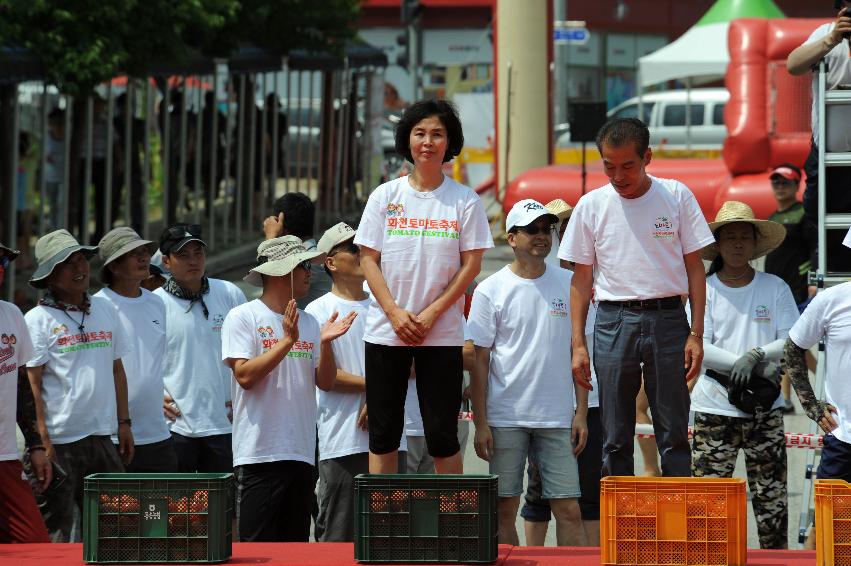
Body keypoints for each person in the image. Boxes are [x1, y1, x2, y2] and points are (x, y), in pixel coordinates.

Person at [559, 117, 714, 477]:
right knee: (613, 434)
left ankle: (678, 526)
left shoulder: (675, 195)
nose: (618, 176)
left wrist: (697, 333)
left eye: (627, 165)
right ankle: (623, 528)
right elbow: (581, 280)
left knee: (674, 432)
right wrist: (578, 344)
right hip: (613, 321)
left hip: (669, 318)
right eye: (609, 166)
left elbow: (695, 269)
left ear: (647, 156)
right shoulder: (591, 205)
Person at [354, 99, 493, 475]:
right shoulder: (385, 196)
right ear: (408, 140)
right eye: (420, 134)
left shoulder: (465, 200)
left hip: (442, 333)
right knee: (383, 434)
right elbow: (368, 259)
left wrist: (433, 312)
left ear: (450, 142)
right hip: (387, 331)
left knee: (442, 435)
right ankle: (383, 525)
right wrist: (395, 313)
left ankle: (453, 528)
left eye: (437, 134)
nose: (428, 142)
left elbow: (471, 265)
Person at [469, 199, 588, 546]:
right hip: (506, 418)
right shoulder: (490, 289)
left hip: (557, 417)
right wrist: (481, 421)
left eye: (546, 229)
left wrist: (580, 412)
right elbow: (479, 360)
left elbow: (580, 353)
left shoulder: (571, 284)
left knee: (569, 510)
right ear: (511, 237)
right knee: (505, 508)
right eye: (532, 229)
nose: (541, 236)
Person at [222, 236, 356, 542]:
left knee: (294, 548)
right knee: (257, 549)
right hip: (259, 455)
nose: (310, 272)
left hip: (301, 453)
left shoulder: (309, 322)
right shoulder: (244, 317)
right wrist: (286, 342)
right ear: (282, 272)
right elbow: (244, 376)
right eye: (303, 266)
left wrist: (324, 342)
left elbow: (325, 381)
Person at [689, 201, 797, 550]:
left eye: (744, 237)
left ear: (754, 244)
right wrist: (735, 362)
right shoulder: (703, 289)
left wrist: (755, 355)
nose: (737, 244)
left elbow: (792, 339)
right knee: (708, 505)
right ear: (718, 244)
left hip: (764, 408)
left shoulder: (774, 287)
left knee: (772, 504)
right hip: (714, 408)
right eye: (730, 237)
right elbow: (696, 343)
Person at [24, 230, 133, 541]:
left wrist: (123, 423)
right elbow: (32, 387)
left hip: (102, 435)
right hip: (59, 440)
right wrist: (42, 442)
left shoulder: (104, 309)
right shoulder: (38, 319)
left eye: (82, 260)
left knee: (117, 526)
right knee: (58, 530)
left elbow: (117, 369)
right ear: (49, 274)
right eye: (68, 263)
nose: (79, 269)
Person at [305, 223, 381, 541]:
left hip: (389, 437)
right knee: (339, 535)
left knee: (387, 537)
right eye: (352, 248)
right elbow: (325, 375)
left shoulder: (384, 305)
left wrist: (377, 398)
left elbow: (412, 363)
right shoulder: (317, 311)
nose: (361, 252)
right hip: (342, 439)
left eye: (363, 245)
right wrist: (376, 388)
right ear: (331, 263)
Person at [155, 223, 246, 473]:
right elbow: (135, 360)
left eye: (198, 253)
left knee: (224, 508)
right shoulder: (154, 303)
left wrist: (242, 399)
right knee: (178, 509)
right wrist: (152, 395)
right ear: (166, 262)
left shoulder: (230, 293)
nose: (193, 261)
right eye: (183, 255)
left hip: (225, 423)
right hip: (175, 426)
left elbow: (250, 352)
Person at [785, 227, 851, 547]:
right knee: (825, 527)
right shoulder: (831, 301)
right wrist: (811, 404)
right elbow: (793, 347)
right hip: (844, 436)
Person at [95, 228, 178, 472]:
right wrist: (122, 422)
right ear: (114, 266)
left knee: (161, 510)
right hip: (113, 434)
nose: (144, 258)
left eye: (145, 252)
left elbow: (156, 361)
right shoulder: (98, 305)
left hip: (158, 431)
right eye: (133, 254)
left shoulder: (156, 302)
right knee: (120, 510)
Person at [787, 3, 851, 271]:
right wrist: (832, 39)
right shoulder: (826, 32)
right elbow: (793, 65)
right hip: (827, 157)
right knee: (817, 217)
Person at [0, 242, 50, 543]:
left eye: (3, 262)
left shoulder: (12, 314)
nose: (0, 269)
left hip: (6, 455)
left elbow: (20, 385)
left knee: (35, 545)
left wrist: (35, 446)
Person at [262, 192, 332, 309]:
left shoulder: (309, 261)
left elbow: (269, 288)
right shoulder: (312, 255)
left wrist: (271, 238)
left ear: (280, 223)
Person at [764, 163, 816, 306]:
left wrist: (814, 282)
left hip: (798, 286)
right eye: (776, 183)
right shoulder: (772, 217)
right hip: (774, 285)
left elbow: (816, 249)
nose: (780, 187)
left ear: (797, 185)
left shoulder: (804, 213)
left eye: (785, 182)